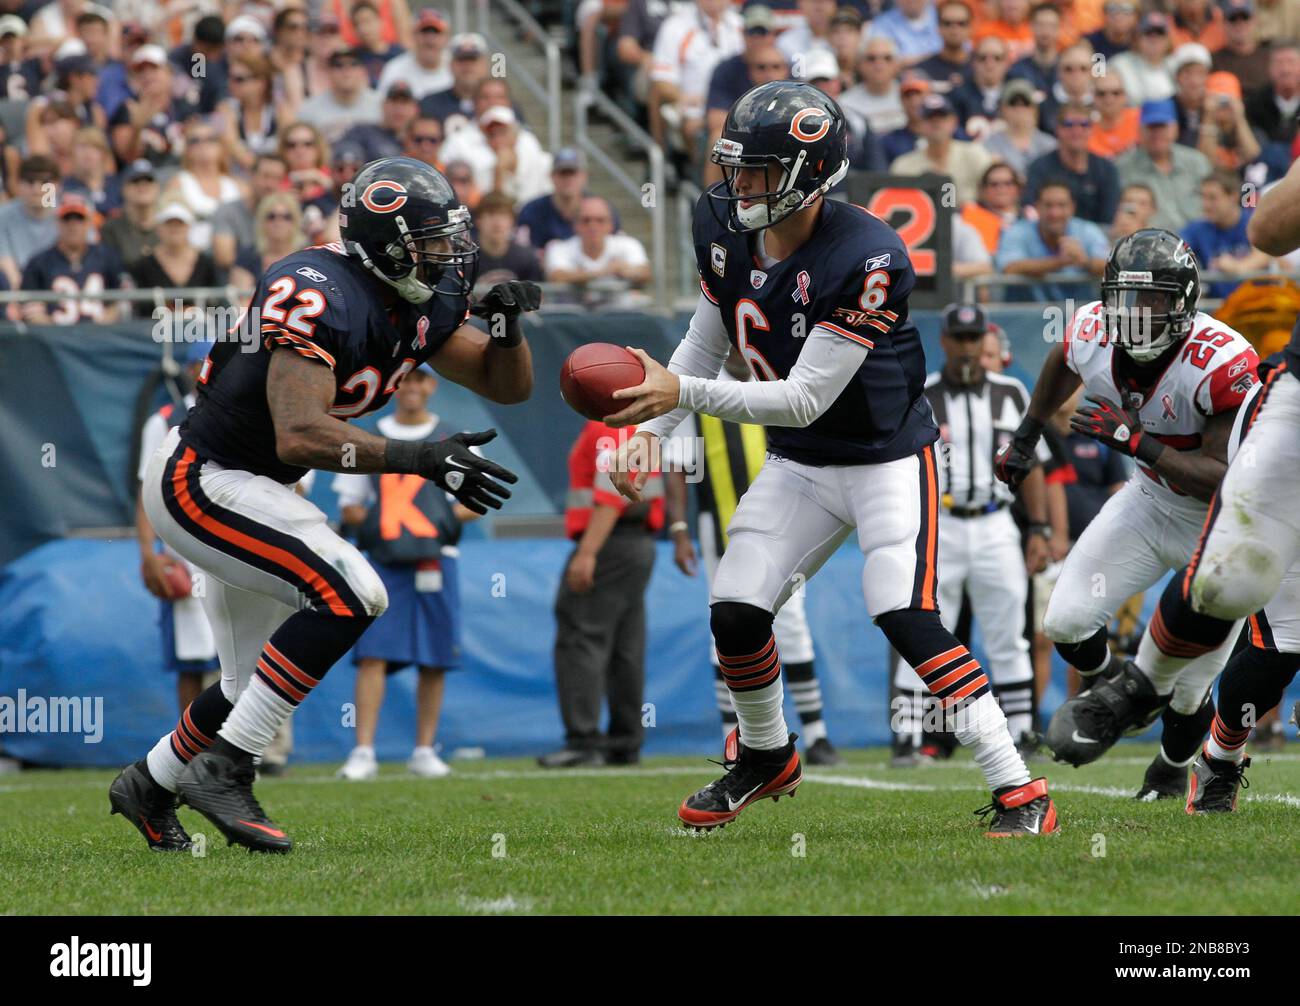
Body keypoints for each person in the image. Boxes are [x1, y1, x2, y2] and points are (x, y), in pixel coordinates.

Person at [607, 81, 1058, 835]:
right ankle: (767, 753)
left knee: (902, 611)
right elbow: (708, 341)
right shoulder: (720, 221)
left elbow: (804, 396)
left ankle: (1019, 788)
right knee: (737, 608)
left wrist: (676, 391)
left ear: (810, 175)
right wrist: (658, 427)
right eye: (736, 167)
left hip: (885, 457)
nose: (738, 185)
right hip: (801, 462)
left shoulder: (867, 254)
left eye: (759, 171)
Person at [107, 157, 540, 854]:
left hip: (253, 484)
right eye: (429, 241)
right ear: (388, 244)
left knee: (247, 681)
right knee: (354, 590)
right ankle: (228, 766)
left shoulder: (421, 296)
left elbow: (504, 383)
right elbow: (300, 431)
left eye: (446, 238)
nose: (446, 254)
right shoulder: (316, 289)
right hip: (203, 476)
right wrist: (420, 458)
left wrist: (509, 329)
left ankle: (149, 784)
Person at [996, 228, 1260, 799]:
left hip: (1214, 528)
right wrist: (1027, 435)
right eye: (1126, 299)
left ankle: (1167, 772)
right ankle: (1116, 686)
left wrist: (1136, 441)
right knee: (1065, 621)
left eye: (1153, 300)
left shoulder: (1221, 359)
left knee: (1190, 692)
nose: (1136, 314)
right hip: (1146, 503)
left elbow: (1224, 478)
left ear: (1184, 301)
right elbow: (1063, 359)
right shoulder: (1092, 326)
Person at [892, 303, 1052, 758]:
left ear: (984, 341)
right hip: (939, 525)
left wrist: (1038, 527)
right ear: (943, 342)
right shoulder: (921, 393)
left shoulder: (1010, 391)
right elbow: (900, 466)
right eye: (959, 339)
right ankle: (907, 736)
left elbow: (1032, 463)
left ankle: (1022, 732)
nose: (966, 348)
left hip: (996, 522)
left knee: (1009, 634)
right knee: (922, 627)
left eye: (973, 338)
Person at [664, 392, 843, 766]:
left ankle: (816, 734)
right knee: (724, 624)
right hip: (722, 524)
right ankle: (734, 734)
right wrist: (679, 529)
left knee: (791, 623)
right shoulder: (698, 389)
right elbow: (678, 465)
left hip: (784, 525)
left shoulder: (777, 377)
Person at [334, 365, 476, 781]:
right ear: (395, 387)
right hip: (384, 560)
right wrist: (387, 521)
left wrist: (437, 519)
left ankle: (424, 749)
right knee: (373, 652)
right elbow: (350, 506)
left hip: (437, 558)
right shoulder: (369, 437)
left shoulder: (452, 436)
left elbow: (474, 499)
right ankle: (363, 751)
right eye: (406, 380)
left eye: (421, 380)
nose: (413, 387)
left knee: (434, 656)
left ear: (432, 386)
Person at [539, 420, 661, 768]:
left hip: (610, 543)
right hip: (633, 544)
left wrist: (588, 552)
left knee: (581, 636)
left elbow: (613, 493)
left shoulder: (612, 426)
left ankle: (584, 741)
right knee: (625, 646)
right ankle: (624, 743)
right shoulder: (639, 427)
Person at [136, 339, 221, 715]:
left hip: (234, 548)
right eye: (202, 365)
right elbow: (146, 489)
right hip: (184, 551)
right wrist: (147, 553)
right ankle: (188, 749)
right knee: (191, 660)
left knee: (238, 656)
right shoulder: (166, 420)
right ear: (190, 370)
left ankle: (238, 750)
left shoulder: (242, 414)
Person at [995, 180, 1109, 302]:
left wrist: (1085, 262)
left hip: (1079, 315)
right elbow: (1009, 267)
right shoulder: (1017, 231)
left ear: (1072, 207)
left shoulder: (1087, 231)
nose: (1054, 213)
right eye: (1048, 205)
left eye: (1061, 205)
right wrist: (1060, 262)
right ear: (1037, 207)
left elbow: (1112, 267)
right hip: (1027, 315)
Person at [21, 193, 127, 324]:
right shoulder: (39, 262)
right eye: (67, 219)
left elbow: (123, 298)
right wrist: (52, 330)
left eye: (79, 219)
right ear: (57, 223)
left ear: (89, 223)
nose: (73, 226)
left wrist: (105, 321)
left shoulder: (108, 257)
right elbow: (30, 309)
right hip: (53, 340)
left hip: (101, 338)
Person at [1116, 99, 1213, 233]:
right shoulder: (1123, 167)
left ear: (1175, 128)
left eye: (1162, 127)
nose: (1157, 133)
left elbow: (1213, 202)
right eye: (1151, 127)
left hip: (1199, 241)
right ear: (1140, 130)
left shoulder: (1196, 162)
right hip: (1152, 243)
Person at [544, 195, 651, 307]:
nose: (593, 226)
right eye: (586, 220)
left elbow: (644, 273)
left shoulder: (628, 244)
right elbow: (557, 276)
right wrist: (604, 271)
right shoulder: (559, 247)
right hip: (572, 321)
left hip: (618, 319)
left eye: (600, 220)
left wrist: (626, 270)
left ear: (611, 224)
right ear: (575, 225)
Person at [1024, 104, 1121, 226]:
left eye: (1084, 125)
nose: (1077, 131)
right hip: (1048, 236)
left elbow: (1110, 218)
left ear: (1092, 129)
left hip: (1096, 239)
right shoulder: (1039, 168)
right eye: (1069, 124)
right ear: (1057, 129)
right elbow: (1031, 211)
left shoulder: (1106, 169)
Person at [889, 92, 993, 204]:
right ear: (920, 124)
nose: (936, 122)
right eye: (930, 117)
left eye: (942, 116)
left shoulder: (974, 154)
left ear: (954, 122)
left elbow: (995, 191)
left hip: (972, 219)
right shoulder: (904, 165)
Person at [1182, 169, 1270, 298]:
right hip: (1218, 311)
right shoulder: (1198, 229)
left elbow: (1263, 256)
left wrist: (1237, 267)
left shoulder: (1253, 222)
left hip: (1255, 306)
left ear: (1233, 196)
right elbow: (1175, 247)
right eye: (1203, 197)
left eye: (1212, 198)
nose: (1206, 205)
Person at [128, 203, 219, 304]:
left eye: (180, 224)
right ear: (159, 228)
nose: (174, 229)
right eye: (169, 224)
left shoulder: (207, 264)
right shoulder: (143, 266)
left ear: (189, 227)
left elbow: (215, 303)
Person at [298, 47, 384, 144]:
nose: (346, 71)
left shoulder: (382, 104)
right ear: (329, 73)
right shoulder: (309, 109)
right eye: (338, 65)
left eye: (353, 64)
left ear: (363, 71)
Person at [0, 154, 59, 290]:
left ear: (57, 185)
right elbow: (6, 265)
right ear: (19, 184)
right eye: (30, 181)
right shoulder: (3, 216)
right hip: (19, 289)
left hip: (62, 288)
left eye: (45, 182)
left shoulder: (69, 214)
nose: (37, 189)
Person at [473, 191, 544, 289]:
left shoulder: (526, 259)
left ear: (513, 222)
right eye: (491, 214)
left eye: (503, 215)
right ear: (478, 220)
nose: (497, 222)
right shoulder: (466, 259)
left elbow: (536, 299)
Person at [377, 7, 450, 97]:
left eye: (436, 32)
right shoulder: (395, 70)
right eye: (424, 32)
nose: (430, 40)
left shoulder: (457, 67)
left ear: (446, 38)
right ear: (413, 36)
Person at [102, 158, 159, 268]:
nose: (142, 186)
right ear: (123, 188)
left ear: (157, 187)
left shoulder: (167, 225)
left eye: (148, 180)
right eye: (135, 181)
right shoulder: (112, 228)